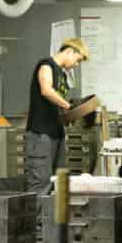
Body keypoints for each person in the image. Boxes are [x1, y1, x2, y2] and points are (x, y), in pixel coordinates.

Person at [25, 37, 90, 196]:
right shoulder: (46, 65)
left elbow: (56, 104)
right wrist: (68, 106)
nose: (76, 65)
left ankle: (56, 221)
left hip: (57, 134)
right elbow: (46, 90)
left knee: (60, 182)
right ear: (69, 51)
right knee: (40, 183)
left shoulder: (61, 74)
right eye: (77, 60)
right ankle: (37, 221)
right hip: (41, 135)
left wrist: (75, 113)